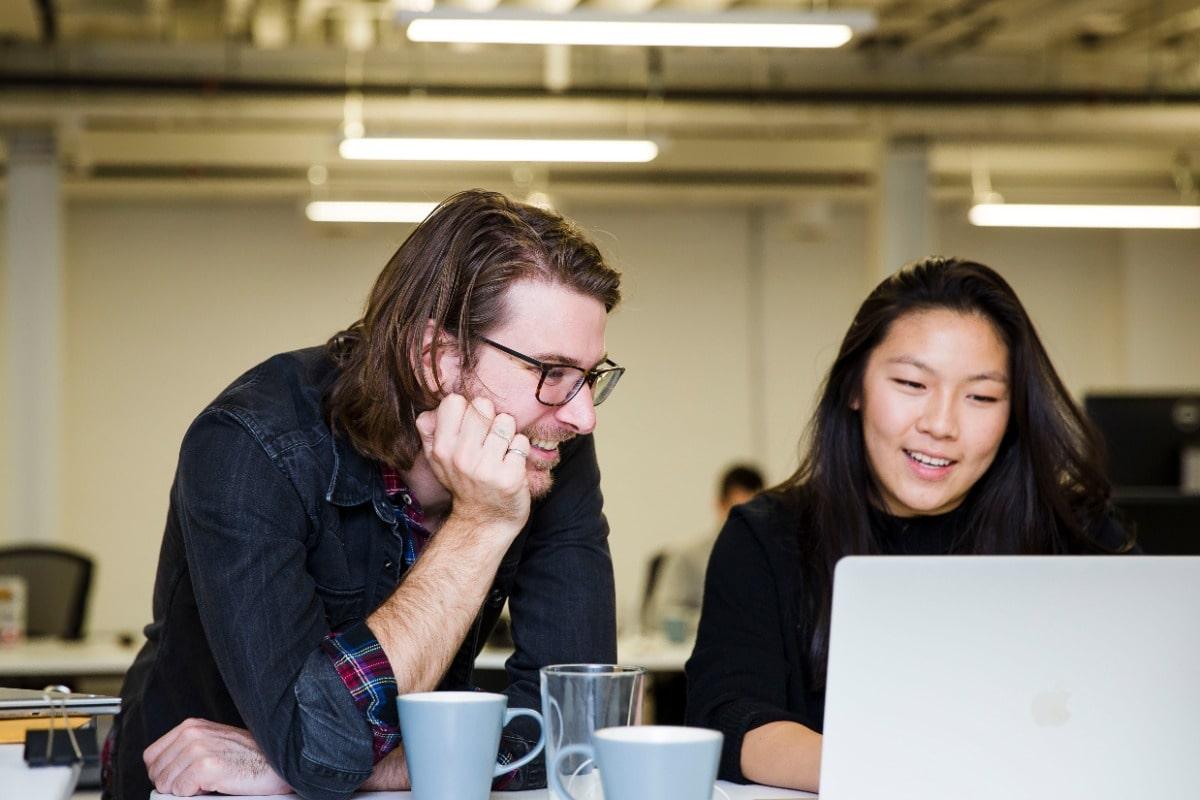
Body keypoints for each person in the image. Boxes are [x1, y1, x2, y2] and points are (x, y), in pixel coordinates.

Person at [108, 190, 626, 800]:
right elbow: (317, 746)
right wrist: (481, 523)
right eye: (552, 373)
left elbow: (578, 729)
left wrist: (318, 767)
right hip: (196, 791)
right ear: (437, 359)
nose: (583, 416)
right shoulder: (253, 444)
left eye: (590, 376)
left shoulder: (545, 443)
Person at [685, 256, 1135, 792]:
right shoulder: (768, 536)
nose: (941, 425)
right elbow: (728, 717)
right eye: (911, 383)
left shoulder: (1080, 537)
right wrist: (915, 773)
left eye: (981, 396)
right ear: (854, 387)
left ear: (1013, 412)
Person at [642, 464, 765, 635]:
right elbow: (659, 616)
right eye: (739, 512)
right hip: (699, 645)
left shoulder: (768, 558)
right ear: (720, 505)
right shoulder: (688, 555)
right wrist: (718, 621)